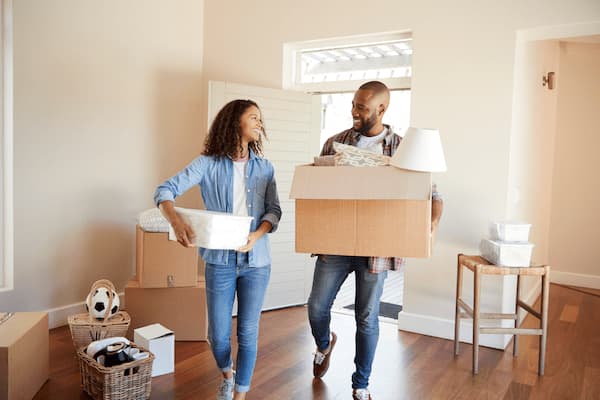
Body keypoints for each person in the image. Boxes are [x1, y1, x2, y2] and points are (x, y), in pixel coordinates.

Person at [307, 81, 443, 400]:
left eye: (362, 107)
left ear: (381, 109)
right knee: (316, 306)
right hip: (336, 243)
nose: (355, 111)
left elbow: (433, 195)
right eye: (353, 105)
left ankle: (360, 383)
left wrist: (432, 225)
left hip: (376, 248)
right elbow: (317, 189)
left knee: (366, 317)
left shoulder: (403, 149)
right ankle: (325, 344)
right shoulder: (335, 143)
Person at [154, 99, 281, 400]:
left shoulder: (265, 168)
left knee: (248, 332)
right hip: (220, 262)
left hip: (257, 262)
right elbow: (164, 191)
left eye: (260, 119)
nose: (260, 123)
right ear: (234, 121)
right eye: (254, 117)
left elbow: (274, 210)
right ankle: (227, 374)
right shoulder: (207, 164)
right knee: (218, 336)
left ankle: (240, 393)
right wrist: (176, 221)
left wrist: (257, 235)